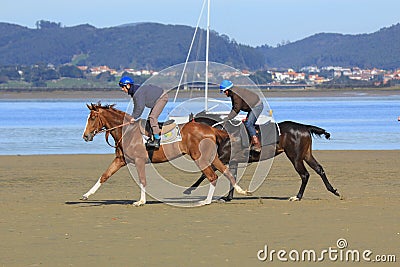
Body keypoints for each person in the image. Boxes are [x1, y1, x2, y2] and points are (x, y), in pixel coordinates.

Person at [119, 76, 168, 149]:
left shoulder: (138, 92)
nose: (122, 89)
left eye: (123, 87)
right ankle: (153, 134)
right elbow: (136, 106)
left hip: (162, 97)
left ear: (128, 86)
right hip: (156, 98)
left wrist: (134, 117)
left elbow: (140, 107)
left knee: (152, 117)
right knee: (150, 119)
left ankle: (157, 140)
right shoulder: (134, 92)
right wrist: (132, 116)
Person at [220, 79, 263, 152]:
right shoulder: (233, 93)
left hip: (256, 106)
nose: (225, 93)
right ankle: (253, 134)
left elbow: (236, 109)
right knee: (246, 123)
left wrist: (228, 118)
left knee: (249, 124)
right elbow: (235, 107)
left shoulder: (236, 94)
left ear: (228, 89)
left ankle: (257, 143)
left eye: (225, 91)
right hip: (251, 107)